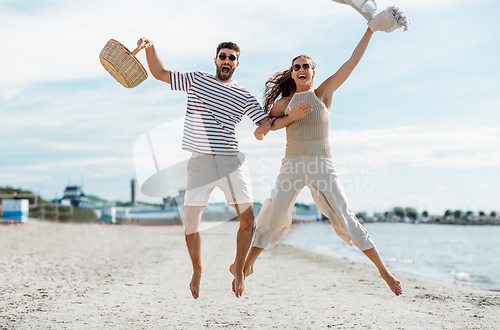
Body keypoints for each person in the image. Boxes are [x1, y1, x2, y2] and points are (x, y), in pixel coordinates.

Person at [137, 38, 310, 299]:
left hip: (230, 161)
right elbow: (160, 73)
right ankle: (197, 268)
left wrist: (293, 113)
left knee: (248, 219)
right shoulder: (197, 80)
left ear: (237, 64)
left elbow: (267, 122)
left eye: (231, 58)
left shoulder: (244, 95)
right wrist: (150, 49)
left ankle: (238, 268)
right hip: (200, 162)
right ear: (215, 60)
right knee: (191, 223)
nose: (226, 61)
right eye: (223, 56)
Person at [243, 27, 403, 296]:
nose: (302, 69)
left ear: (313, 72)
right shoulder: (284, 103)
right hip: (292, 164)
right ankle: (245, 267)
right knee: (276, 213)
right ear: (293, 73)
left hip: (322, 164)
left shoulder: (323, 94)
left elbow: (352, 61)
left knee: (347, 217)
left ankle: (384, 272)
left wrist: (370, 29)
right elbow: (262, 131)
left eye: (306, 66)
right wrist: (289, 118)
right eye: (297, 66)